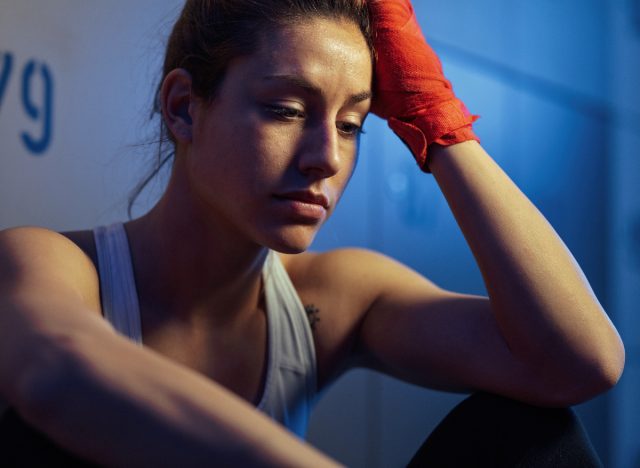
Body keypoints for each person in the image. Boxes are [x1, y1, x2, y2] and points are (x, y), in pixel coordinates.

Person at [0, 0, 625, 466]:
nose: (325, 156)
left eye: (351, 124)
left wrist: (442, 126)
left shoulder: (335, 298)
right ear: (184, 108)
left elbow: (578, 364)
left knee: (536, 436)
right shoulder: (55, 263)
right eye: (286, 110)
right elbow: (56, 372)